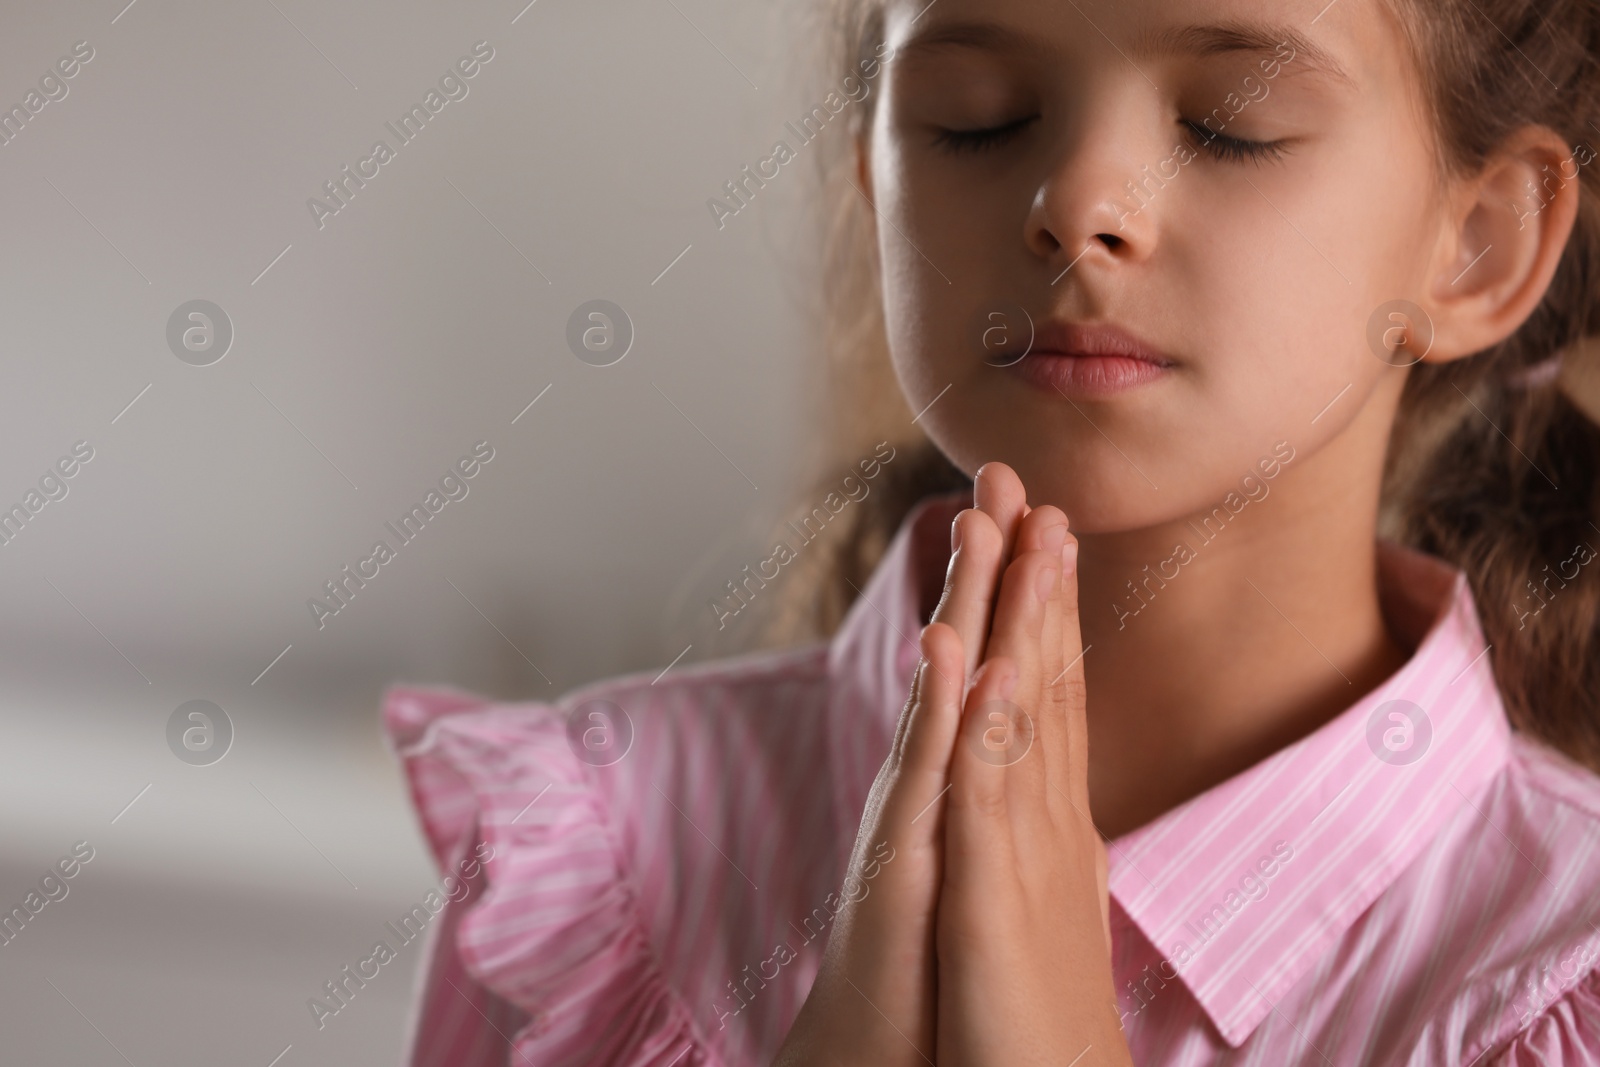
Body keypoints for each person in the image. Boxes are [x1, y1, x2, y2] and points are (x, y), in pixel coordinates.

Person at [382, 0, 1600, 1061]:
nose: (1076, 202)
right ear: (871, 174)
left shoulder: (1564, 976)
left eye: (1229, 120)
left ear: (1479, 244)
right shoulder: (590, 855)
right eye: (978, 114)